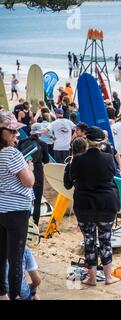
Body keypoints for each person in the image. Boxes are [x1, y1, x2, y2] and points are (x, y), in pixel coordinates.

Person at [64, 126, 120, 286]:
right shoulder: (109, 158)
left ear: (86, 141)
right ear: (101, 141)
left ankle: (92, 278)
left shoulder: (78, 160)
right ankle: (109, 277)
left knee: (89, 240)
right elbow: (111, 175)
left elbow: (72, 178)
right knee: (105, 240)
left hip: (84, 204)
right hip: (106, 203)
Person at [0, 111, 35, 300]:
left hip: (1, 208)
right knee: (16, 258)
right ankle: (15, 296)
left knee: (1, 255)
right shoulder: (11, 153)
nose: (17, 135)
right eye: (12, 131)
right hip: (17, 211)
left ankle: (2, 294)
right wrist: (29, 168)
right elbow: (28, 182)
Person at [18, 123, 49, 226]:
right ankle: (35, 225)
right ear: (40, 133)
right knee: (37, 201)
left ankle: (25, 224)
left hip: (23, 169)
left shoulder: (22, 142)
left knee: (25, 199)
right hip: (37, 170)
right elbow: (46, 161)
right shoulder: (43, 144)